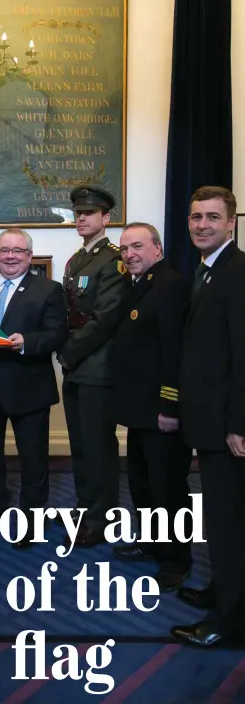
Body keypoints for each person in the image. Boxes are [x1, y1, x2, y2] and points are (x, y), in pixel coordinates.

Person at [171, 186, 245, 648]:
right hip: (210, 422)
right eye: (196, 217)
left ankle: (231, 621)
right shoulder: (208, 270)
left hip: (227, 427)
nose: (202, 225)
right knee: (224, 519)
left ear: (231, 223)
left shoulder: (238, 273)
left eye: (212, 217)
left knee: (227, 523)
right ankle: (224, 591)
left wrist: (240, 422)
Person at [0, 228, 67, 546]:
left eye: (18, 251)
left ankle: (31, 519)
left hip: (28, 386)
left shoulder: (48, 289)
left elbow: (56, 333)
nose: (10, 256)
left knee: (33, 458)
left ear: (29, 256)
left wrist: (26, 342)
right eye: (4, 250)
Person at [110, 222, 192, 591]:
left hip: (160, 412)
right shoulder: (141, 285)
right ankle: (154, 543)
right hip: (139, 411)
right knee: (143, 484)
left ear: (157, 248)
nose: (130, 254)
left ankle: (177, 560)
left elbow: (176, 352)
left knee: (168, 489)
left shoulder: (170, 285)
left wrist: (170, 407)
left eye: (138, 246)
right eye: (125, 248)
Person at [59, 185, 127, 546]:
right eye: (78, 213)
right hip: (75, 366)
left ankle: (101, 518)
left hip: (97, 366)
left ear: (106, 218)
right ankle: (87, 506)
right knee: (81, 443)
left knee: (98, 446)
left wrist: (69, 352)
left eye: (89, 212)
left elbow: (105, 319)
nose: (82, 218)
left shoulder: (112, 259)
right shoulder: (76, 260)